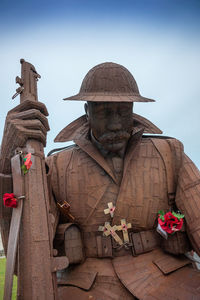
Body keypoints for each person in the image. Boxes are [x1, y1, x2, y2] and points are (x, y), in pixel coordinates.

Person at [1, 62, 200, 300]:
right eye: (105, 112)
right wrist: (7, 155)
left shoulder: (170, 153)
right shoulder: (55, 166)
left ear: (133, 108)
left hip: (172, 282)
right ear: (87, 110)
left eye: (123, 112)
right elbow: (26, 258)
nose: (115, 124)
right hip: (84, 289)